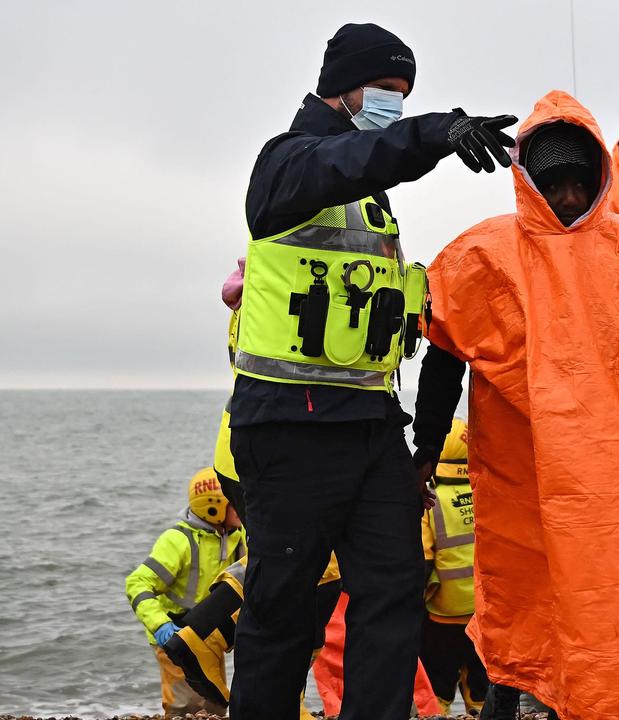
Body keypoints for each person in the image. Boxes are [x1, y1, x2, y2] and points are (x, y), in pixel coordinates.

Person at [227, 22, 516, 720]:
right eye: (386, 91)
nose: (393, 103)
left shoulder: (369, 194)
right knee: (282, 613)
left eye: (405, 95)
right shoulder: (286, 166)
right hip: (289, 429)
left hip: (369, 427)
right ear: (341, 87)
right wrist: (434, 132)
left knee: (393, 593)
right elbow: (353, 160)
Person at [412, 90, 619, 720]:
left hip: (617, 481)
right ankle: (505, 703)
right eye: (555, 186)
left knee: (616, 602)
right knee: (521, 603)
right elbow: (445, 358)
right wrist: (424, 451)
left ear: (599, 177)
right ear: (528, 181)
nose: (571, 200)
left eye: (582, 184)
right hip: (522, 476)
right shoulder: (484, 254)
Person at [125, 468, 246, 718]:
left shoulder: (238, 536)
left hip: (209, 634)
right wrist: (161, 626)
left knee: (215, 703)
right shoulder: (177, 540)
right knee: (184, 707)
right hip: (176, 634)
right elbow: (137, 583)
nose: (243, 508)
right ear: (214, 508)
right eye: (236, 503)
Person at [420, 417, 488, 715]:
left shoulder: (430, 501)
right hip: (485, 611)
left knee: (439, 684)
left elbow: (422, 560)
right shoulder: (488, 493)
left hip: (443, 614)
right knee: (480, 682)